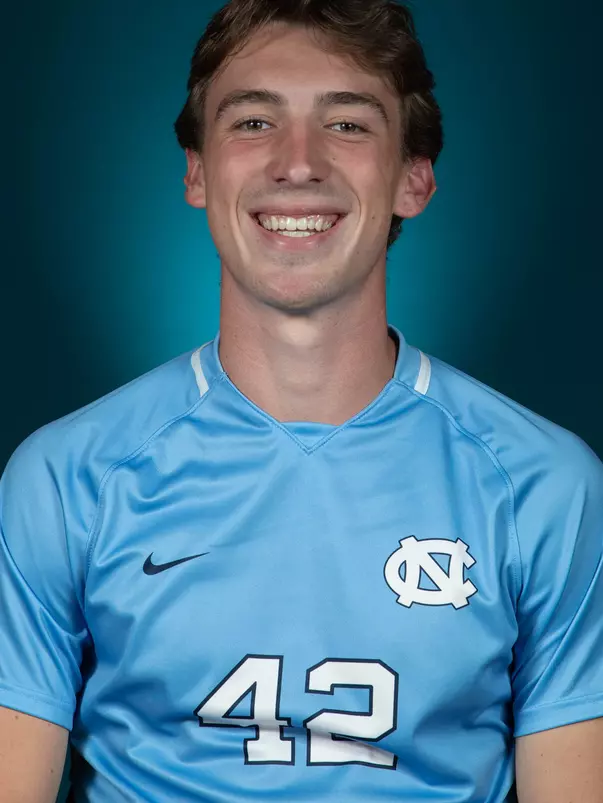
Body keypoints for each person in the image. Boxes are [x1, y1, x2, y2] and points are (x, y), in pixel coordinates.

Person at [1, 0, 602, 800]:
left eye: (347, 125)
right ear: (196, 171)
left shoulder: (546, 486)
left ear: (412, 178)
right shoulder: (65, 477)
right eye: (252, 122)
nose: (297, 162)